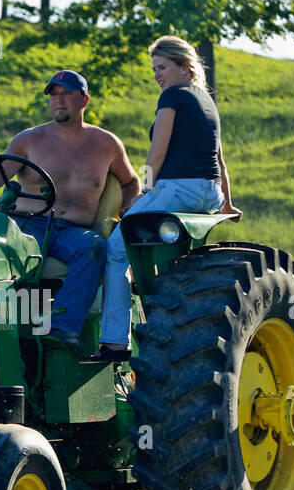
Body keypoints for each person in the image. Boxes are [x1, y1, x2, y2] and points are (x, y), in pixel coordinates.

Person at [90, 37, 242, 361]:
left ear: (184, 66)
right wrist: (226, 203)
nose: (157, 75)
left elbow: (155, 156)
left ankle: (116, 342)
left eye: (162, 67)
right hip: (209, 192)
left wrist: (144, 191)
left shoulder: (172, 96)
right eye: (154, 69)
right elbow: (220, 161)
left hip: (178, 189)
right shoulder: (207, 101)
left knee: (116, 250)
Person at [0, 69, 141, 348]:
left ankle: (63, 330)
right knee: (0, 253)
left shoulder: (107, 144)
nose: (59, 100)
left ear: (84, 101)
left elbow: (131, 181)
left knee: (96, 247)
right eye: (53, 95)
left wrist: (128, 208)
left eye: (66, 94)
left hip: (75, 231)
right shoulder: (28, 140)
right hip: (28, 225)